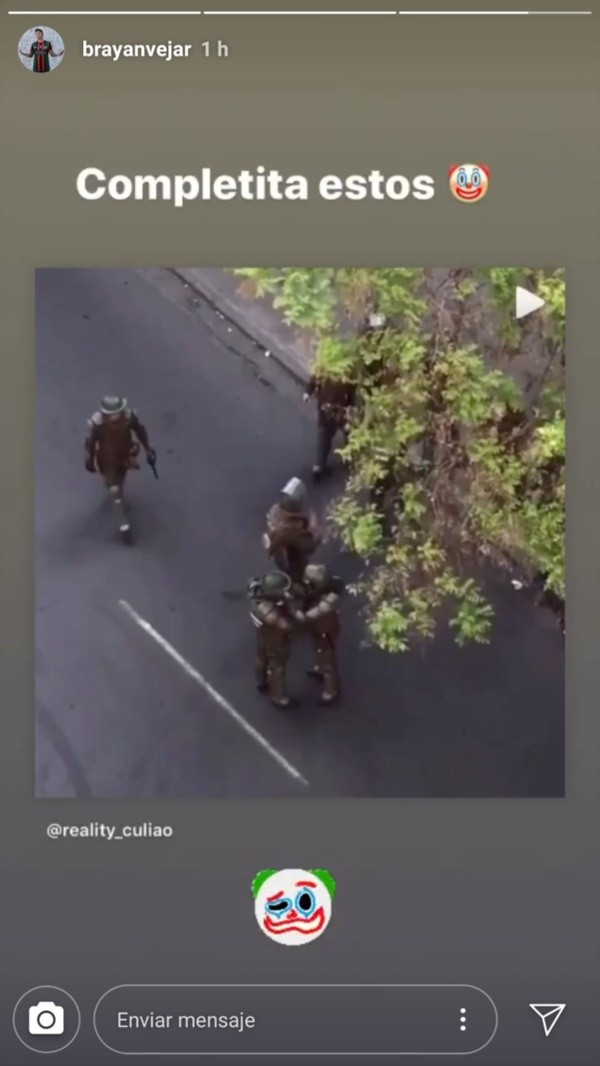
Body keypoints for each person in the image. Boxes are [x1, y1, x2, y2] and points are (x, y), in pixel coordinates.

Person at [84, 396, 155, 538]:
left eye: (117, 414)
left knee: (120, 482)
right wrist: (89, 460)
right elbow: (90, 443)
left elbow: (140, 431)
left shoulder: (128, 417)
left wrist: (148, 449)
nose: (115, 418)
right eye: (112, 415)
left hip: (124, 456)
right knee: (113, 489)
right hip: (107, 461)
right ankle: (124, 525)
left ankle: (118, 495)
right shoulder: (97, 424)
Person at [248, 571, 302, 709]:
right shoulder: (270, 613)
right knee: (277, 667)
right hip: (277, 639)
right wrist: (294, 609)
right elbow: (287, 626)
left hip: (262, 635)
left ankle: (261, 681)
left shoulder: (257, 600)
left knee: (261, 657)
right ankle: (278, 697)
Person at [297, 563, 344, 705]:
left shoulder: (326, 603)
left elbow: (306, 617)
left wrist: (295, 611)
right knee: (318, 650)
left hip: (325, 632)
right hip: (320, 630)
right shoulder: (325, 591)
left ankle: (331, 691)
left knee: (327, 659)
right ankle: (320, 668)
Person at [263, 477, 320, 583]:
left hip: (279, 551)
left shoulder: (275, 509)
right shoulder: (291, 529)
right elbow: (309, 546)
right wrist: (316, 530)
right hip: (290, 560)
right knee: (299, 576)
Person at [303, 373, 357, 480]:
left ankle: (319, 465)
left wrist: (308, 392)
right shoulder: (347, 371)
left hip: (326, 405)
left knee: (324, 435)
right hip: (341, 407)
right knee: (349, 431)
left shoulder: (325, 369)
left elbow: (316, 376)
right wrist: (352, 406)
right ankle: (348, 459)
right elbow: (352, 391)